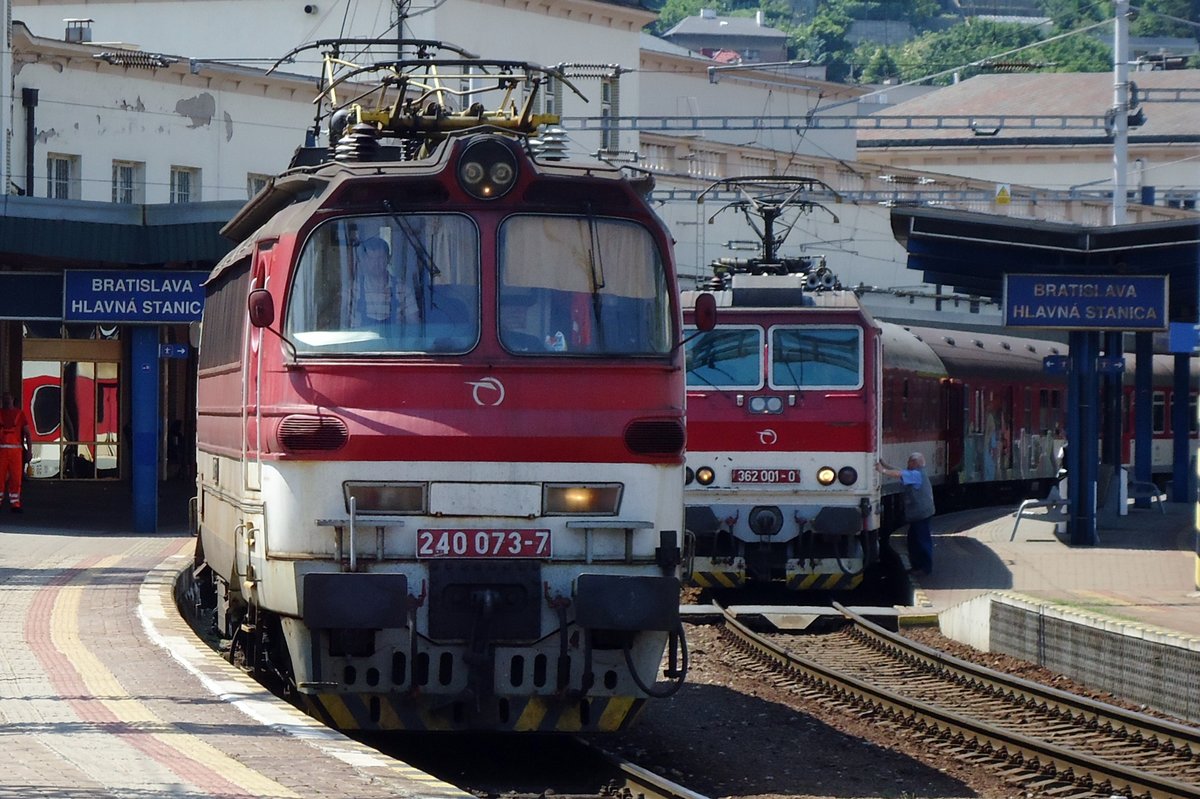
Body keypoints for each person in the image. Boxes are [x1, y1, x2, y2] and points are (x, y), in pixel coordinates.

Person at [877, 452, 935, 576]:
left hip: (921, 514)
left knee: (921, 540)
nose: (907, 463)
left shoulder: (916, 474)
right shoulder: (917, 473)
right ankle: (918, 566)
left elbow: (899, 473)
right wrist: (886, 465)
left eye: (909, 461)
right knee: (914, 539)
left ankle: (925, 568)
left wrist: (883, 471)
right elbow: (900, 472)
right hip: (921, 513)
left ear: (915, 463)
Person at [349, 237, 420, 327]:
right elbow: (342, 324)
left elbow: (415, 325)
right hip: (362, 340)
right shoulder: (352, 290)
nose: (376, 263)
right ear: (364, 261)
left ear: (388, 259)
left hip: (393, 341)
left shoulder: (403, 289)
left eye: (380, 258)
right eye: (371, 258)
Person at [0, 391, 32, 513]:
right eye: (4, 398)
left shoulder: (20, 414)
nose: (6, 401)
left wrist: (29, 451)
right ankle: (12, 502)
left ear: (13, 399)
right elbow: (28, 434)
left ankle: (15, 504)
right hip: (4, 450)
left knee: (16, 478)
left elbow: (28, 434)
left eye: (8, 398)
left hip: (14, 451)